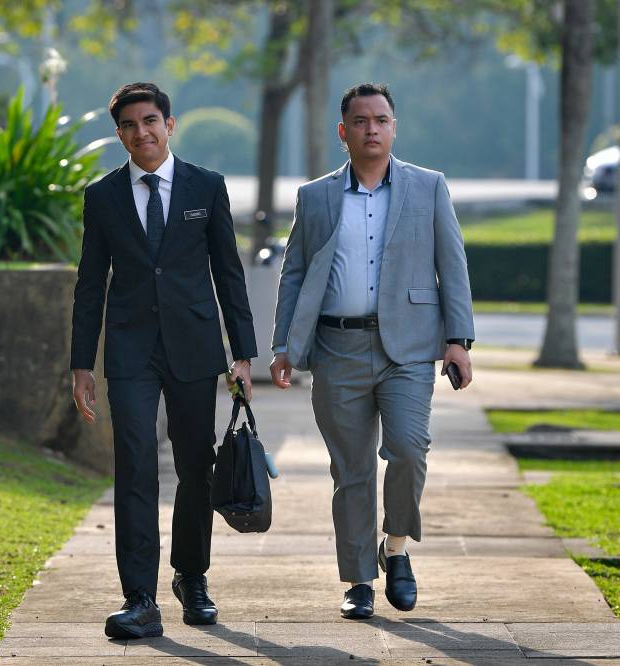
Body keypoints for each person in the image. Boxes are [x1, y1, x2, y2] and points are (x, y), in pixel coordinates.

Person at [270, 82, 475, 620]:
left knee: (408, 449)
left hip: (408, 348)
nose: (372, 129)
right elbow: (294, 273)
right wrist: (284, 344)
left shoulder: (429, 187)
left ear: (393, 127)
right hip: (336, 348)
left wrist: (459, 340)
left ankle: (396, 548)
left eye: (381, 120)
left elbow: (452, 266)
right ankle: (359, 579)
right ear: (344, 132)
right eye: (360, 121)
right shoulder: (315, 196)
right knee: (352, 469)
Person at [70, 82, 257, 639]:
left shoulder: (207, 187)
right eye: (129, 125)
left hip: (195, 346)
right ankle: (139, 598)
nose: (141, 133)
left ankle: (191, 578)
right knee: (135, 464)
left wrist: (242, 354)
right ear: (119, 134)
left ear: (169, 125)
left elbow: (229, 273)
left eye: (150, 121)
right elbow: (89, 284)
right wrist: (81, 364)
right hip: (130, 350)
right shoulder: (102, 196)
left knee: (196, 465)